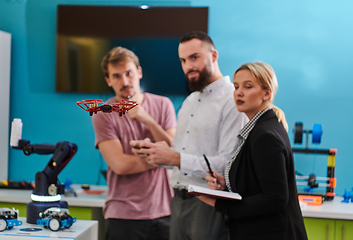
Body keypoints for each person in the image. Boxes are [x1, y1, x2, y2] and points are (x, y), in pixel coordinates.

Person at [130, 31, 248, 240]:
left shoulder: (232, 101)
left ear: (213, 56)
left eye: (194, 58)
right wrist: (157, 154)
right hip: (177, 201)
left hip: (209, 204)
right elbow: (179, 156)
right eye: (183, 60)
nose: (188, 67)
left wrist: (175, 158)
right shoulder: (189, 102)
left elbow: (229, 164)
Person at [198, 61, 308, 240]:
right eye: (236, 86)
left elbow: (276, 198)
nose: (239, 92)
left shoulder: (265, 135)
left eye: (248, 86)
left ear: (267, 93)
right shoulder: (261, 128)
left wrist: (221, 203)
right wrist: (226, 185)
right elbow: (257, 184)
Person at [92, 46, 177, 240]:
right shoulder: (102, 114)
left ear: (139, 72)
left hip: (165, 211)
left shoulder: (163, 105)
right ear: (108, 80)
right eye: (116, 76)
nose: (124, 81)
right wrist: (163, 157)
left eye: (129, 73)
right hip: (123, 215)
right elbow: (120, 165)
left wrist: (147, 119)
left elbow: (174, 149)